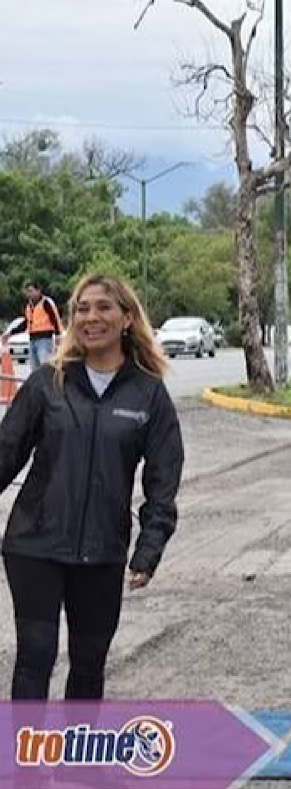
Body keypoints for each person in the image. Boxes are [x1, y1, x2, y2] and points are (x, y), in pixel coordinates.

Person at [0, 274, 183, 707]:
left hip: (102, 551)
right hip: (34, 544)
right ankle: (26, 770)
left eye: (103, 307)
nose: (90, 317)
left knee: (88, 663)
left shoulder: (149, 396)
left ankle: (76, 767)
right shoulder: (48, 384)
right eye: (82, 308)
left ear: (126, 319)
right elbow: (5, 455)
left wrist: (149, 547)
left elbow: (162, 482)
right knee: (36, 655)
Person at [4, 282, 63, 370]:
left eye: (31, 291)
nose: (29, 294)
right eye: (27, 292)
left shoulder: (46, 303)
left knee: (45, 367)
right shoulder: (29, 306)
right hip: (32, 340)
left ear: (38, 291)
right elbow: (25, 324)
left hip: (44, 340)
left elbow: (55, 319)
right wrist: (10, 333)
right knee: (35, 369)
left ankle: (47, 383)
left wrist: (58, 335)